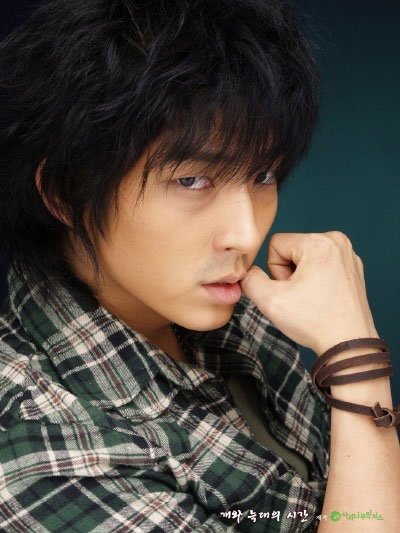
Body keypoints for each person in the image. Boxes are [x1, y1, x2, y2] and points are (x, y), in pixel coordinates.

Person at [0, 0, 398, 531]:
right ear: (65, 193)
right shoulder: (41, 452)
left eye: (263, 175)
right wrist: (357, 363)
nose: (247, 235)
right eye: (192, 180)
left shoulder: (229, 312)